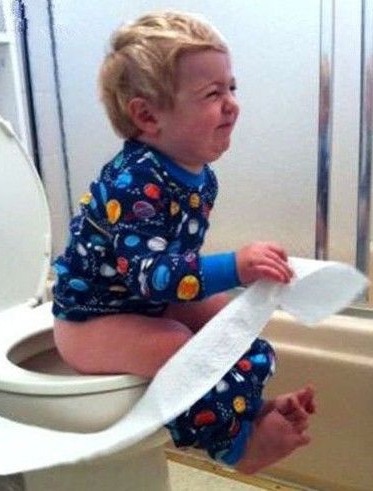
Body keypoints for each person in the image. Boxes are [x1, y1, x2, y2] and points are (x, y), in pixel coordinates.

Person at [51, 11, 316, 474]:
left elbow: (169, 267)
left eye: (232, 87)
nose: (231, 104)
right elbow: (154, 276)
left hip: (142, 298)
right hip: (92, 319)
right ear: (148, 116)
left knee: (230, 323)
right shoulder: (136, 182)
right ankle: (235, 447)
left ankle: (245, 412)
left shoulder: (200, 177)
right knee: (178, 345)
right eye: (213, 94)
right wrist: (236, 265)